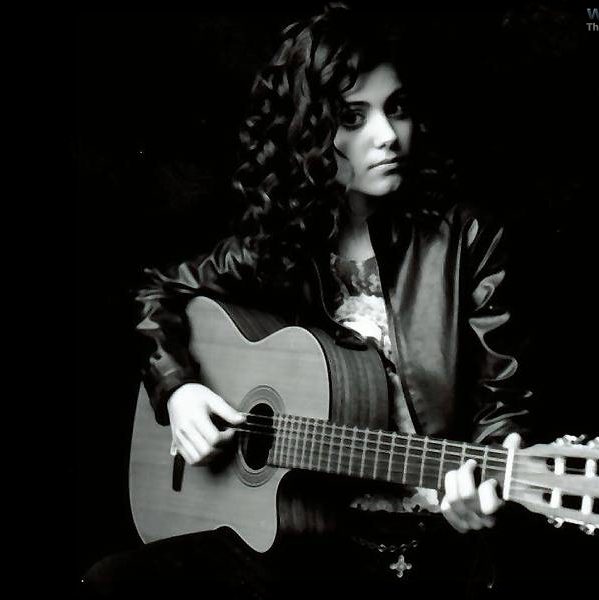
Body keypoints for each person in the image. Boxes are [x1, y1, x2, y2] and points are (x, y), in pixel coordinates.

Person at [83, 4, 534, 597]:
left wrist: (487, 477)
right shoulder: (279, 243)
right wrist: (180, 389)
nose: (386, 135)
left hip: (419, 542)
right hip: (298, 536)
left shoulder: (464, 238)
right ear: (309, 131)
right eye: (353, 117)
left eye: (396, 108)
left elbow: (502, 402)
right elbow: (157, 293)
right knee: (111, 582)